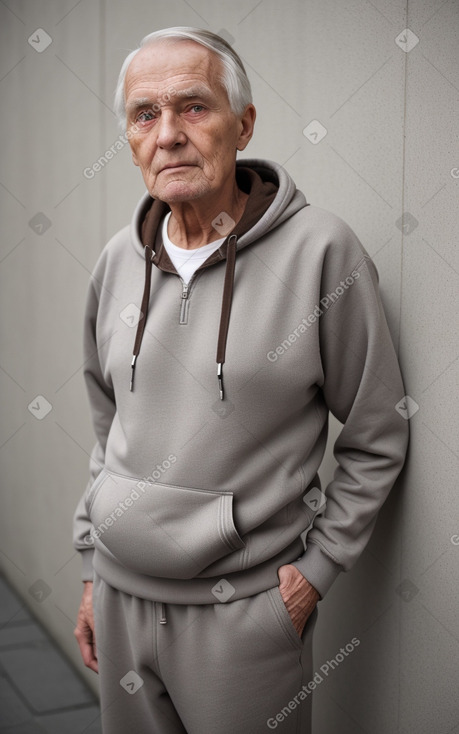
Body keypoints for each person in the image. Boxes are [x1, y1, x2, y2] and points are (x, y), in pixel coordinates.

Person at [73, 27, 409, 734]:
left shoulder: (321, 251)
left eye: (192, 107)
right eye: (144, 114)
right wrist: (88, 564)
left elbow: (377, 431)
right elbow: (110, 426)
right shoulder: (114, 263)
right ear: (130, 138)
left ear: (242, 123)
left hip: (244, 613)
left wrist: (313, 574)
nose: (167, 135)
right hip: (118, 595)